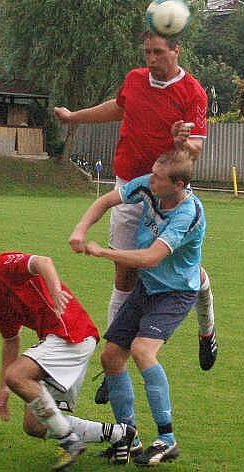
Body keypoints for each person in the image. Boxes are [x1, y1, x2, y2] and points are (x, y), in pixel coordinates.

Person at [58, 32, 217, 404]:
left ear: (177, 50)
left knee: (181, 272)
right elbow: (118, 107)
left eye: (158, 53)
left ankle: (206, 325)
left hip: (169, 191)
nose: (152, 59)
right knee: (125, 276)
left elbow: (194, 152)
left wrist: (182, 141)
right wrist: (75, 117)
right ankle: (117, 363)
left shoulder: (193, 92)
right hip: (132, 184)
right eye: (147, 52)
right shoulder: (134, 79)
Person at [0, 242, 138, 470]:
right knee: (34, 425)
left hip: (70, 334)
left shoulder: (1, 265)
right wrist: (5, 386)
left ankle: (69, 442)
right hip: (58, 340)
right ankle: (120, 434)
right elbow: (11, 340)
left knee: (18, 376)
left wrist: (55, 291)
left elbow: (43, 262)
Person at [76, 150, 205, 466]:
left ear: (178, 183)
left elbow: (150, 257)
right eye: (152, 173)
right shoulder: (149, 185)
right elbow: (106, 201)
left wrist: (104, 253)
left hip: (175, 292)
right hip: (147, 287)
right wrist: (80, 229)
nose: (151, 180)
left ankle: (167, 438)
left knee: (142, 350)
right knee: (110, 356)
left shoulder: (189, 214)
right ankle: (127, 435)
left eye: (158, 178)